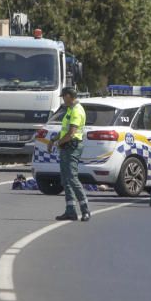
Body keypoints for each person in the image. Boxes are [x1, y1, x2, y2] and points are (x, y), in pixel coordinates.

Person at [50, 87, 90, 221]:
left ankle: (85, 209)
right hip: (66, 147)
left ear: (69, 96)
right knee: (65, 179)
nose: (62, 99)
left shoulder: (77, 111)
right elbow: (64, 131)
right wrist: (54, 140)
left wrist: (58, 142)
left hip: (72, 147)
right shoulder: (70, 110)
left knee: (72, 178)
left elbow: (71, 133)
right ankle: (70, 210)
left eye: (63, 96)